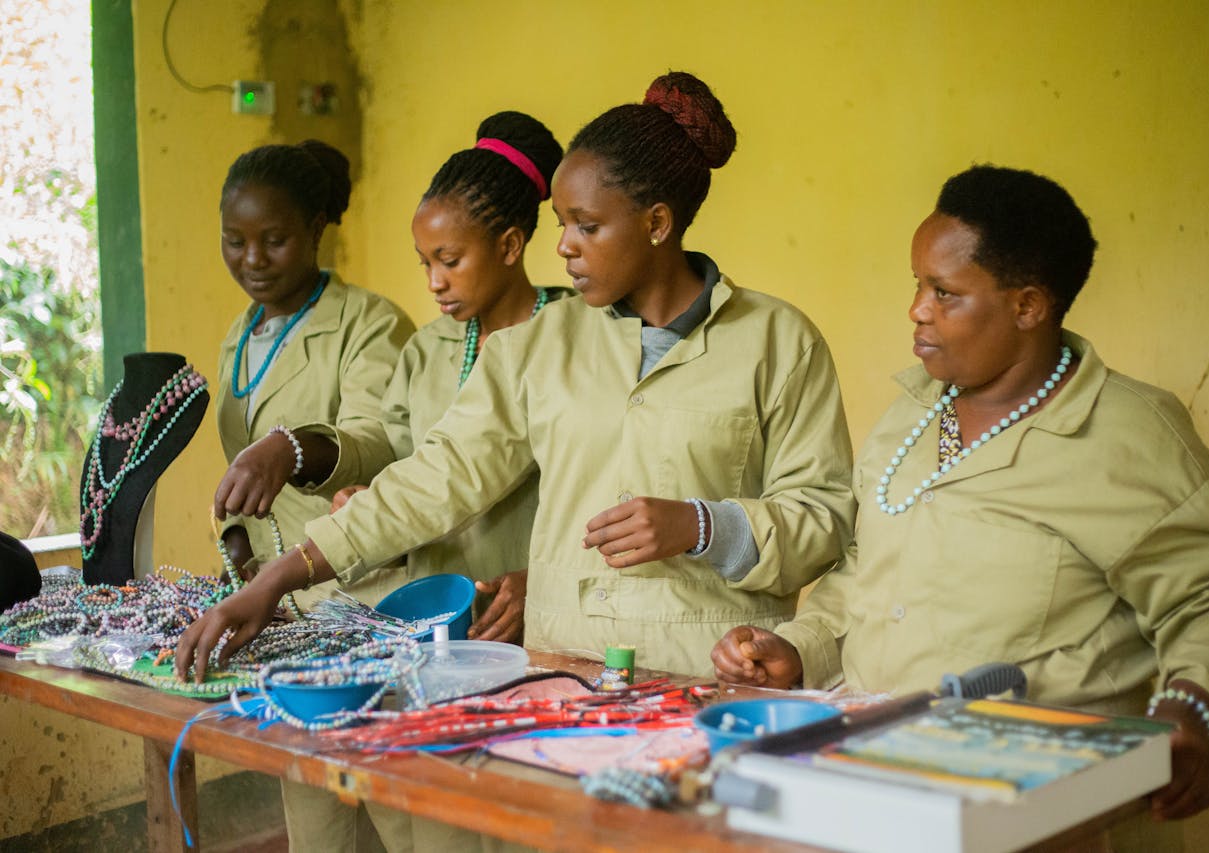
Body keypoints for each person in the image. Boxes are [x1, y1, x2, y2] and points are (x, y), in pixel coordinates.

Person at [177, 71, 856, 685]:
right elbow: (432, 479)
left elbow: (823, 518)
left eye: (586, 226)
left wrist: (706, 525)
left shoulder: (777, 342)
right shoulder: (541, 346)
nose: (562, 246)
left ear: (656, 223)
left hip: (704, 676)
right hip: (561, 675)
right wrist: (282, 575)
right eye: (562, 224)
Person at [711, 165, 1209, 844]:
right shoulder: (911, 416)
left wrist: (1192, 707)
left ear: (1028, 306)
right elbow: (863, 573)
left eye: (945, 292)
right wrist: (798, 649)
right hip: (882, 787)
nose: (917, 308)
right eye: (918, 284)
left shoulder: (1127, 433)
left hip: (1047, 810)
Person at [328, 112, 570, 648]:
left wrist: (550, 584)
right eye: (425, 264)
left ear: (509, 246)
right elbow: (400, 461)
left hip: (545, 622)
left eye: (451, 260)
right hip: (435, 621)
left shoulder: (574, 334)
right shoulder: (424, 350)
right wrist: (363, 498)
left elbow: (608, 482)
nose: (436, 282)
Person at [212, 140, 415, 611]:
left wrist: (290, 447)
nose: (254, 259)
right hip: (270, 594)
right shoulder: (239, 336)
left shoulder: (372, 323)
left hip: (354, 592)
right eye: (236, 241)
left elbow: (379, 441)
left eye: (275, 240)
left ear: (315, 229)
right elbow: (244, 465)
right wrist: (237, 541)